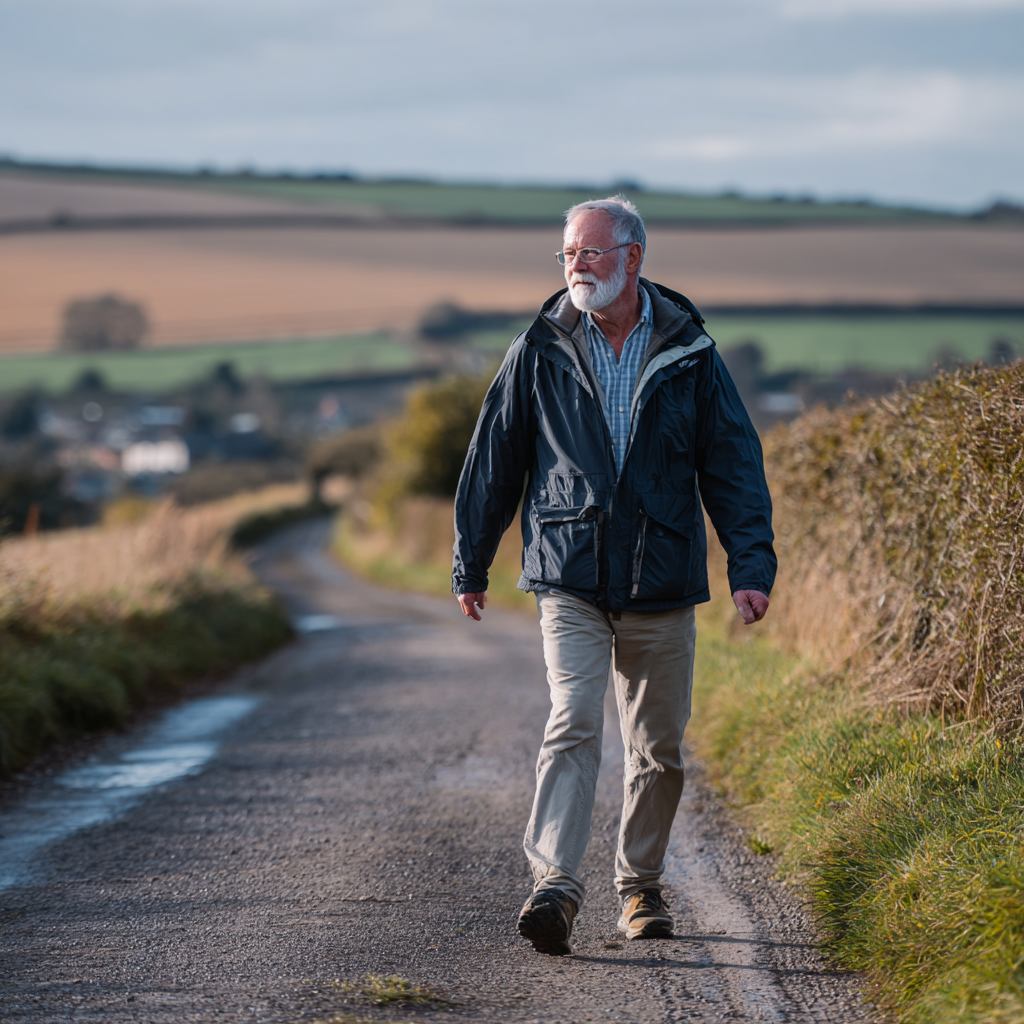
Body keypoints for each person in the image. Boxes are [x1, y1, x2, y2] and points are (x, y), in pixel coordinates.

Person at [451, 196, 776, 956]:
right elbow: (493, 459)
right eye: (569, 253)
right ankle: (555, 886)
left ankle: (641, 887)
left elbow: (732, 467)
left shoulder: (691, 351)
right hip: (568, 573)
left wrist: (749, 566)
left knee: (658, 749)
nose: (576, 265)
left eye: (591, 253)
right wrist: (472, 559)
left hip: (662, 578)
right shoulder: (537, 346)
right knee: (573, 722)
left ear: (633, 258)